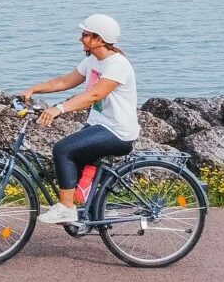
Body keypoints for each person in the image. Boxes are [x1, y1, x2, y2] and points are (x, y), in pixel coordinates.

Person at [18, 13, 139, 225]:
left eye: (85, 34)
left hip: (117, 131)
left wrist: (59, 109)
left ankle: (67, 208)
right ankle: (90, 210)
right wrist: (34, 89)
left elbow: (95, 95)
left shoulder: (117, 64)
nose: (79, 38)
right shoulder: (93, 60)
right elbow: (66, 81)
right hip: (99, 125)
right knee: (75, 160)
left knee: (63, 150)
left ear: (99, 39)